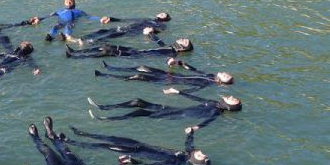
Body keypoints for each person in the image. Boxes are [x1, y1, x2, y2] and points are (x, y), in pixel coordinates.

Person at [45, 117, 210, 165]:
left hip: (136, 151)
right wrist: (191, 133)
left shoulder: (178, 161)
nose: (202, 152)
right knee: (111, 137)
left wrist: (134, 161)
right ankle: (82, 134)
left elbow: (154, 164)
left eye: (201, 156)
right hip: (140, 144)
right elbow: (189, 145)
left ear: (196, 160)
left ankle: (66, 141)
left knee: (104, 146)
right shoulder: (188, 153)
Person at [88, 89, 242, 128]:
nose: (233, 97)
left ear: (230, 106)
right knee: (138, 101)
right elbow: (197, 99)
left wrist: (196, 127)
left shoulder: (216, 111)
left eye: (234, 101)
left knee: (141, 112)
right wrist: (178, 92)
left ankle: (105, 118)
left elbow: (209, 120)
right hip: (173, 108)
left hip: (175, 115)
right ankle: (103, 107)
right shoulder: (213, 102)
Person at [94, 59, 234, 88]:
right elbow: (193, 70)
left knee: (138, 77)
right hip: (167, 74)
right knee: (142, 67)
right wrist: (179, 63)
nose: (226, 73)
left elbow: (193, 89)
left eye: (226, 76)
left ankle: (105, 75)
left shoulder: (208, 83)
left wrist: (176, 91)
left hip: (168, 80)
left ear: (221, 82)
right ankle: (111, 68)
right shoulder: (209, 76)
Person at [35, 0, 105, 42]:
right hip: (61, 22)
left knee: (68, 27)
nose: (69, 2)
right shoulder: (59, 11)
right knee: (55, 27)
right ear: (64, 4)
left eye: (71, 1)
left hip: (71, 22)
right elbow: (49, 16)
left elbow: (89, 17)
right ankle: (50, 36)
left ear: (75, 3)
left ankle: (66, 36)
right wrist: (40, 18)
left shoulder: (79, 11)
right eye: (67, 1)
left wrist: (100, 19)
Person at [76, 12, 171, 44]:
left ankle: (89, 43)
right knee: (103, 30)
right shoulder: (146, 19)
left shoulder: (162, 25)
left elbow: (161, 31)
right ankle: (83, 38)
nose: (161, 13)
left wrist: (153, 30)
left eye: (164, 14)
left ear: (165, 18)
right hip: (126, 28)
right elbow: (126, 20)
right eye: (161, 12)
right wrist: (111, 19)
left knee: (110, 36)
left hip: (132, 32)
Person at [65, 37, 193, 59]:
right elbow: (160, 43)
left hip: (135, 55)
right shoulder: (170, 48)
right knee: (106, 46)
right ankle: (77, 51)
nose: (182, 38)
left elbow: (170, 62)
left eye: (184, 41)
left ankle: (77, 57)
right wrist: (150, 34)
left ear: (182, 48)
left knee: (107, 51)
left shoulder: (172, 53)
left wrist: (172, 63)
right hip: (135, 50)